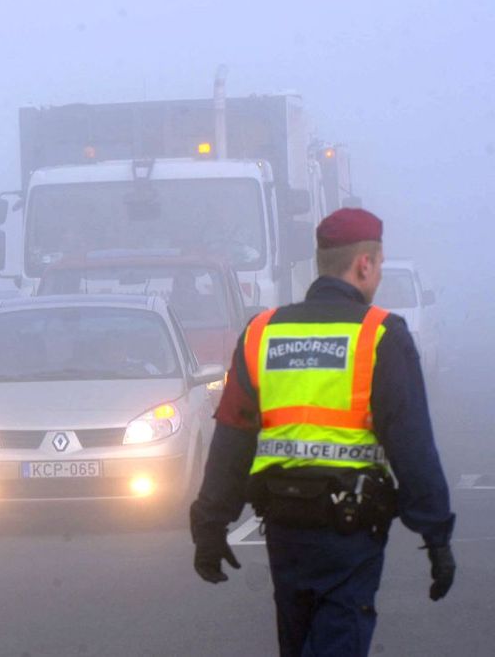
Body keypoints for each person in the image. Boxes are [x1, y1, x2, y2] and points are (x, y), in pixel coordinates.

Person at [189, 208, 455, 656]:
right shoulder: (380, 335)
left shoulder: (262, 332)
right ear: (365, 264)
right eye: (380, 266)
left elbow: (232, 437)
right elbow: (412, 445)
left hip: (285, 527)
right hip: (351, 532)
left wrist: (210, 525)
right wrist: (436, 536)